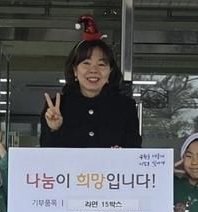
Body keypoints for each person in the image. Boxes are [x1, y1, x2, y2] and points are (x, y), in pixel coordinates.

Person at [40, 15, 141, 148]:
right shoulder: (56, 107)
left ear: (110, 71)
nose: (93, 70)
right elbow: (45, 153)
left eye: (101, 64)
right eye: (86, 63)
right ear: (75, 70)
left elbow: (134, 151)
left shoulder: (125, 107)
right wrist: (54, 129)